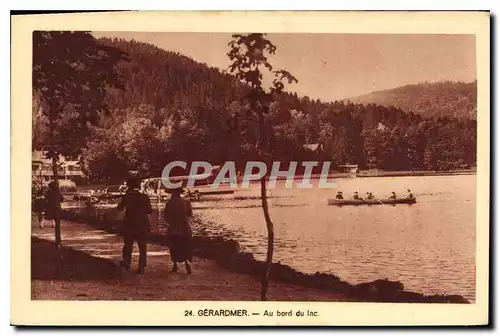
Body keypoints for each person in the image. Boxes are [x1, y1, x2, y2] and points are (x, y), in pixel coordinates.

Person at [117, 176, 153, 274]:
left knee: (128, 245)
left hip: (129, 224)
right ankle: (141, 267)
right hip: (142, 224)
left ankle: (127, 263)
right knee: (142, 246)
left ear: (129, 186)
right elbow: (149, 210)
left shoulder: (126, 197)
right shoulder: (144, 197)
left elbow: (119, 208)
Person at [163, 186, 194, 274]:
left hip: (174, 228)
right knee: (186, 247)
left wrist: (171, 222)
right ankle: (187, 262)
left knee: (174, 246)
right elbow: (190, 215)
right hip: (185, 228)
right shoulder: (186, 202)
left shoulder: (169, 203)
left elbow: (166, 217)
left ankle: (175, 264)